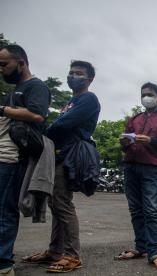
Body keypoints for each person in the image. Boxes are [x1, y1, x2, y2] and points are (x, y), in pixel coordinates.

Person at [22, 60, 100, 273]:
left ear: (89, 79)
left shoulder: (88, 99)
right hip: (57, 155)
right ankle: (56, 250)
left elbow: (64, 124)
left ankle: (72, 255)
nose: (73, 76)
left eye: (78, 73)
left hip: (69, 156)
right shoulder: (71, 101)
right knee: (56, 204)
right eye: (71, 72)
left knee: (62, 204)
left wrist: (43, 133)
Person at [115, 82, 157, 271]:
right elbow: (125, 143)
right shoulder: (134, 118)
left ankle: (154, 252)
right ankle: (140, 247)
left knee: (151, 210)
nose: (146, 98)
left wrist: (152, 140)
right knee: (135, 209)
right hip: (130, 166)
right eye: (143, 94)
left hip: (152, 168)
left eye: (150, 94)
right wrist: (125, 142)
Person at [0, 44, 51, 275]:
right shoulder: (15, 90)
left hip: (12, 158)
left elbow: (38, 115)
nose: (2, 70)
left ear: (21, 63)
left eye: (4, 64)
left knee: (5, 211)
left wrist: (3, 109)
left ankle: (3, 263)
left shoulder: (36, 86)